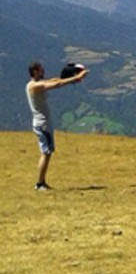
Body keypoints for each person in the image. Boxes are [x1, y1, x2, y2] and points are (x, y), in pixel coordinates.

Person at [26, 61, 88, 191]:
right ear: (36, 71)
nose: (43, 71)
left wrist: (70, 79)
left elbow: (54, 80)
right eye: (41, 70)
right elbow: (57, 84)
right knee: (46, 153)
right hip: (42, 124)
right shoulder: (34, 86)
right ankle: (39, 183)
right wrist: (77, 78)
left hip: (42, 123)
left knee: (47, 152)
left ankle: (42, 182)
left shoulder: (34, 85)